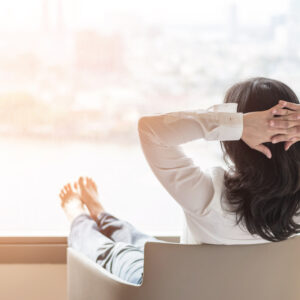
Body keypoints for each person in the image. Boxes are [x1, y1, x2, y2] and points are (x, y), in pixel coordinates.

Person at [60, 77, 300, 285]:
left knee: (111, 252)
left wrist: (237, 124)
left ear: (233, 141)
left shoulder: (209, 198)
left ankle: (78, 216)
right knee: (141, 241)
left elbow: (150, 130)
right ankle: (103, 216)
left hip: (171, 289)